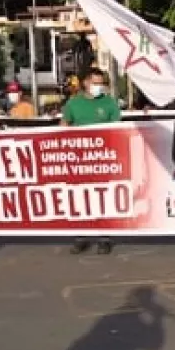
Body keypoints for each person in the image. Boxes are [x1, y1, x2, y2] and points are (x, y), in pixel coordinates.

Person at [61, 67, 122, 255]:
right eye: (96, 83)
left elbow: (118, 129)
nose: (99, 86)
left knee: (103, 197)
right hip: (79, 159)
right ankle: (81, 236)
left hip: (103, 159)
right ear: (86, 83)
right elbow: (64, 127)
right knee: (80, 198)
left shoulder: (110, 103)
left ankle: (105, 237)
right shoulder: (73, 103)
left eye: (101, 83)